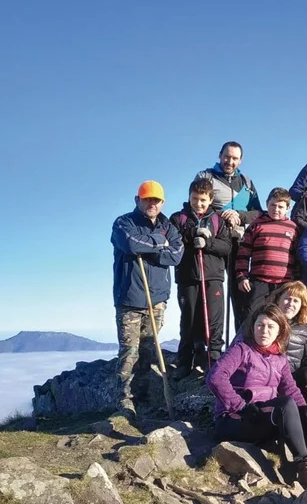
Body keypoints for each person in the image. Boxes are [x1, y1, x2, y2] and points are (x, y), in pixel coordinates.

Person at [206, 303, 307, 488]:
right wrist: (241, 406)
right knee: (286, 404)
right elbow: (215, 378)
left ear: (280, 331)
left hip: (262, 416)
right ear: (253, 327)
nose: (264, 331)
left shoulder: (280, 359)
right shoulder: (241, 350)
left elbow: (291, 389)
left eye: (271, 326)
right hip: (236, 418)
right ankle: (304, 465)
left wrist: (305, 418)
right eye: (260, 325)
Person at [110, 181, 184, 416]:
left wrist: (148, 249)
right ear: (137, 200)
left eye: (156, 200)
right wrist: (158, 243)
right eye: (147, 199)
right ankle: (124, 400)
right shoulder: (123, 223)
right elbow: (130, 244)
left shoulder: (168, 227)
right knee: (129, 352)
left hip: (157, 299)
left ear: (162, 203)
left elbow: (176, 255)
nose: (152, 203)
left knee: (148, 351)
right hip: (130, 299)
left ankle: (143, 398)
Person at [194, 141, 263, 327]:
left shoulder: (247, 183)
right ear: (220, 155)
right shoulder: (206, 177)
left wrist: (239, 215)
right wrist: (223, 215)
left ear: (240, 160)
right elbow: (197, 205)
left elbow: (258, 213)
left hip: (239, 242)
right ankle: (209, 342)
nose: (230, 161)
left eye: (234, 158)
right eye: (227, 157)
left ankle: (241, 339)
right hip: (213, 242)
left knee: (240, 295)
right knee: (211, 295)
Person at [169, 178, 230, 379]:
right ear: (189, 197)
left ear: (211, 199)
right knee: (188, 319)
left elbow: (226, 247)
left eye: (203, 200)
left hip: (213, 276)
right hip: (187, 276)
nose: (199, 203)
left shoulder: (218, 220)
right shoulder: (178, 218)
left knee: (214, 320)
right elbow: (173, 240)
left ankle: (214, 362)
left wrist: (208, 242)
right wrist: (192, 234)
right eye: (195, 198)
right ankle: (185, 361)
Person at [271, 282, 307, 420]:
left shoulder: (305, 331)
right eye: (287, 298)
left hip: (292, 379)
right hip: (268, 376)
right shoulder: (264, 322)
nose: (291, 304)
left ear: (301, 306)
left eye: (296, 301)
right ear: (278, 300)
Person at [235, 187, 298, 315]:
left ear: (288, 208)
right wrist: (242, 276)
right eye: (272, 205)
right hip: (259, 281)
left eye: (280, 207)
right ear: (266, 204)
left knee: (281, 318)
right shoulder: (256, 225)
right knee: (254, 315)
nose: (276, 209)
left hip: (284, 283)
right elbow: (243, 253)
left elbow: (297, 256)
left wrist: (296, 280)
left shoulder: (293, 228)